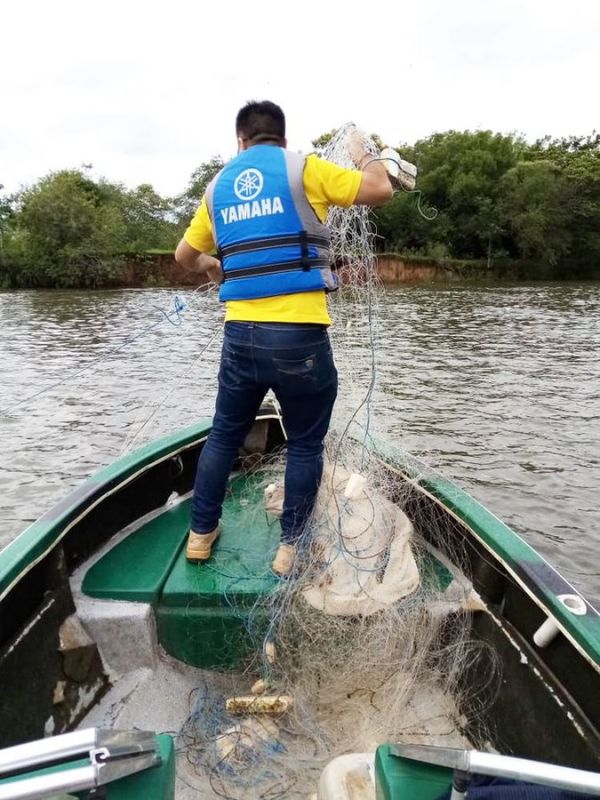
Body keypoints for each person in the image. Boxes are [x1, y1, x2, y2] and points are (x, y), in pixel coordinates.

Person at [175, 100, 393, 575]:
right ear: (283, 139)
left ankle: (200, 534)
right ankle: (290, 547)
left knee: (223, 436)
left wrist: (214, 265)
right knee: (305, 444)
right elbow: (380, 188)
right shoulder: (305, 170)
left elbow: (184, 255)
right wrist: (363, 152)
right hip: (300, 337)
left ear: (240, 141)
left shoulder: (217, 188)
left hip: (240, 338)